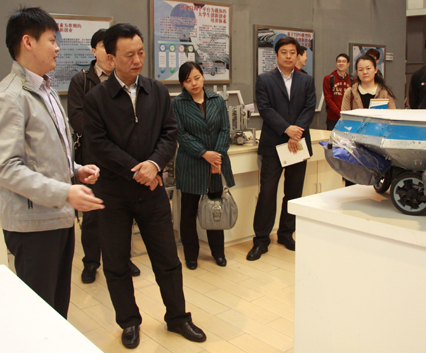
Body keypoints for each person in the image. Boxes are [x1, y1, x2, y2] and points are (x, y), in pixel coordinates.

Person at [82, 23, 206, 349]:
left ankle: (177, 317)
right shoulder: (96, 98)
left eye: (140, 53)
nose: (137, 60)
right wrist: (136, 169)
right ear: (111, 58)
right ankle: (129, 322)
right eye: (129, 55)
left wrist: (154, 164)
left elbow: (170, 133)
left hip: (152, 191)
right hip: (113, 194)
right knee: (116, 263)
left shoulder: (157, 91)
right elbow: (97, 145)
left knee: (167, 259)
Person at [0, 7, 104, 319]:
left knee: (57, 309)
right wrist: (64, 192)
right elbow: (6, 168)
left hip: (58, 218)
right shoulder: (9, 97)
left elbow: (48, 152)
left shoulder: (45, 90)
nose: (57, 47)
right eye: (51, 40)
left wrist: (75, 170)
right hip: (33, 226)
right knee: (39, 315)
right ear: (28, 42)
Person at [67, 29, 140, 284]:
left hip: (121, 159)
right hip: (92, 158)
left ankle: (124, 259)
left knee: (122, 212)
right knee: (92, 214)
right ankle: (91, 262)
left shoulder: (126, 80)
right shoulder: (82, 80)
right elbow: (77, 118)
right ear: (94, 50)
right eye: (103, 45)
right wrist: (106, 134)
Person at [247, 36, 316, 261]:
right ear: (276, 55)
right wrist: (287, 129)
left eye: (292, 52)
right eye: (284, 52)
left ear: (298, 55)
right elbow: (265, 109)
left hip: (298, 144)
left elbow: (309, 108)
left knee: (293, 193)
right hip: (273, 144)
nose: (288, 56)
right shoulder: (264, 79)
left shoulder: (306, 80)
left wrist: (297, 132)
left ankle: (286, 234)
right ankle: (261, 240)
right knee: (267, 193)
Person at [172, 61, 235, 270]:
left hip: (216, 164)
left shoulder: (217, 99)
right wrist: (204, 153)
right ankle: (191, 255)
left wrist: (216, 158)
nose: (194, 83)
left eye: (197, 78)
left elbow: (224, 129)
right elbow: (180, 134)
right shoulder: (178, 104)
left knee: (215, 208)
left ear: (203, 76)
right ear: (183, 83)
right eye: (188, 80)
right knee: (188, 213)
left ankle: (218, 252)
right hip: (191, 163)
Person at [323, 53, 355, 130]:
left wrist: (348, 114)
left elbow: (354, 99)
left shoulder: (353, 80)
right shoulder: (328, 78)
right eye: (339, 61)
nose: (341, 63)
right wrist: (339, 113)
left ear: (348, 64)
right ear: (336, 63)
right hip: (332, 118)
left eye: (344, 61)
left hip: (348, 118)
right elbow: (328, 99)